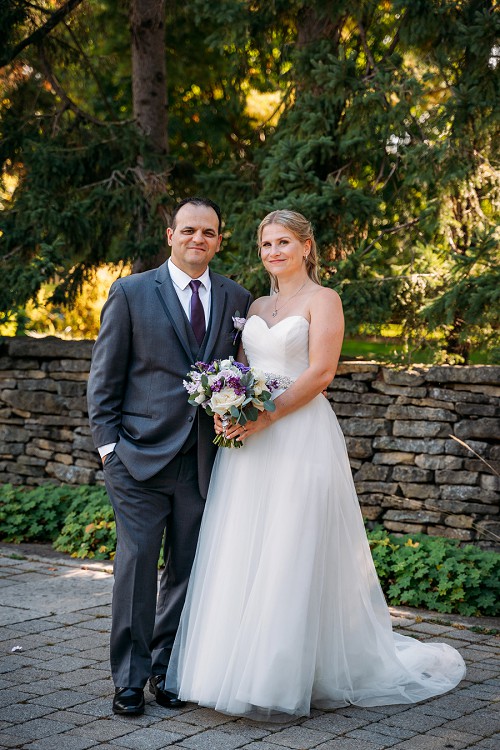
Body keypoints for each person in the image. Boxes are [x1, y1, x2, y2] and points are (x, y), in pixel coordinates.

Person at [165, 209, 466, 720]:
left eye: (283, 242)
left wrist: (267, 415)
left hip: (298, 433)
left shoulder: (324, 300)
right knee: (243, 543)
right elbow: (241, 369)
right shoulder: (256, 303)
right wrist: (227, 406)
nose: (274, 252)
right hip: (250, 444)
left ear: (306, 246)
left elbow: (322, 371)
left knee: (291, 544)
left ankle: (282, 675)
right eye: (265, 244)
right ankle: (226, 669)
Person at [87, 197, 252, 716]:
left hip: (203, 461)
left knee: (187, 570)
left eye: (208, 232)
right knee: (136, 570)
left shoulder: (235, 296)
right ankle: (129, 680)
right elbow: (105, 377)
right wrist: (109, 449)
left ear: (219, 240)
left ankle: (167, 671)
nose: (197, 239)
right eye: (188, 231)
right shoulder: (132, 292)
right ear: (170, 235)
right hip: (137, 457)